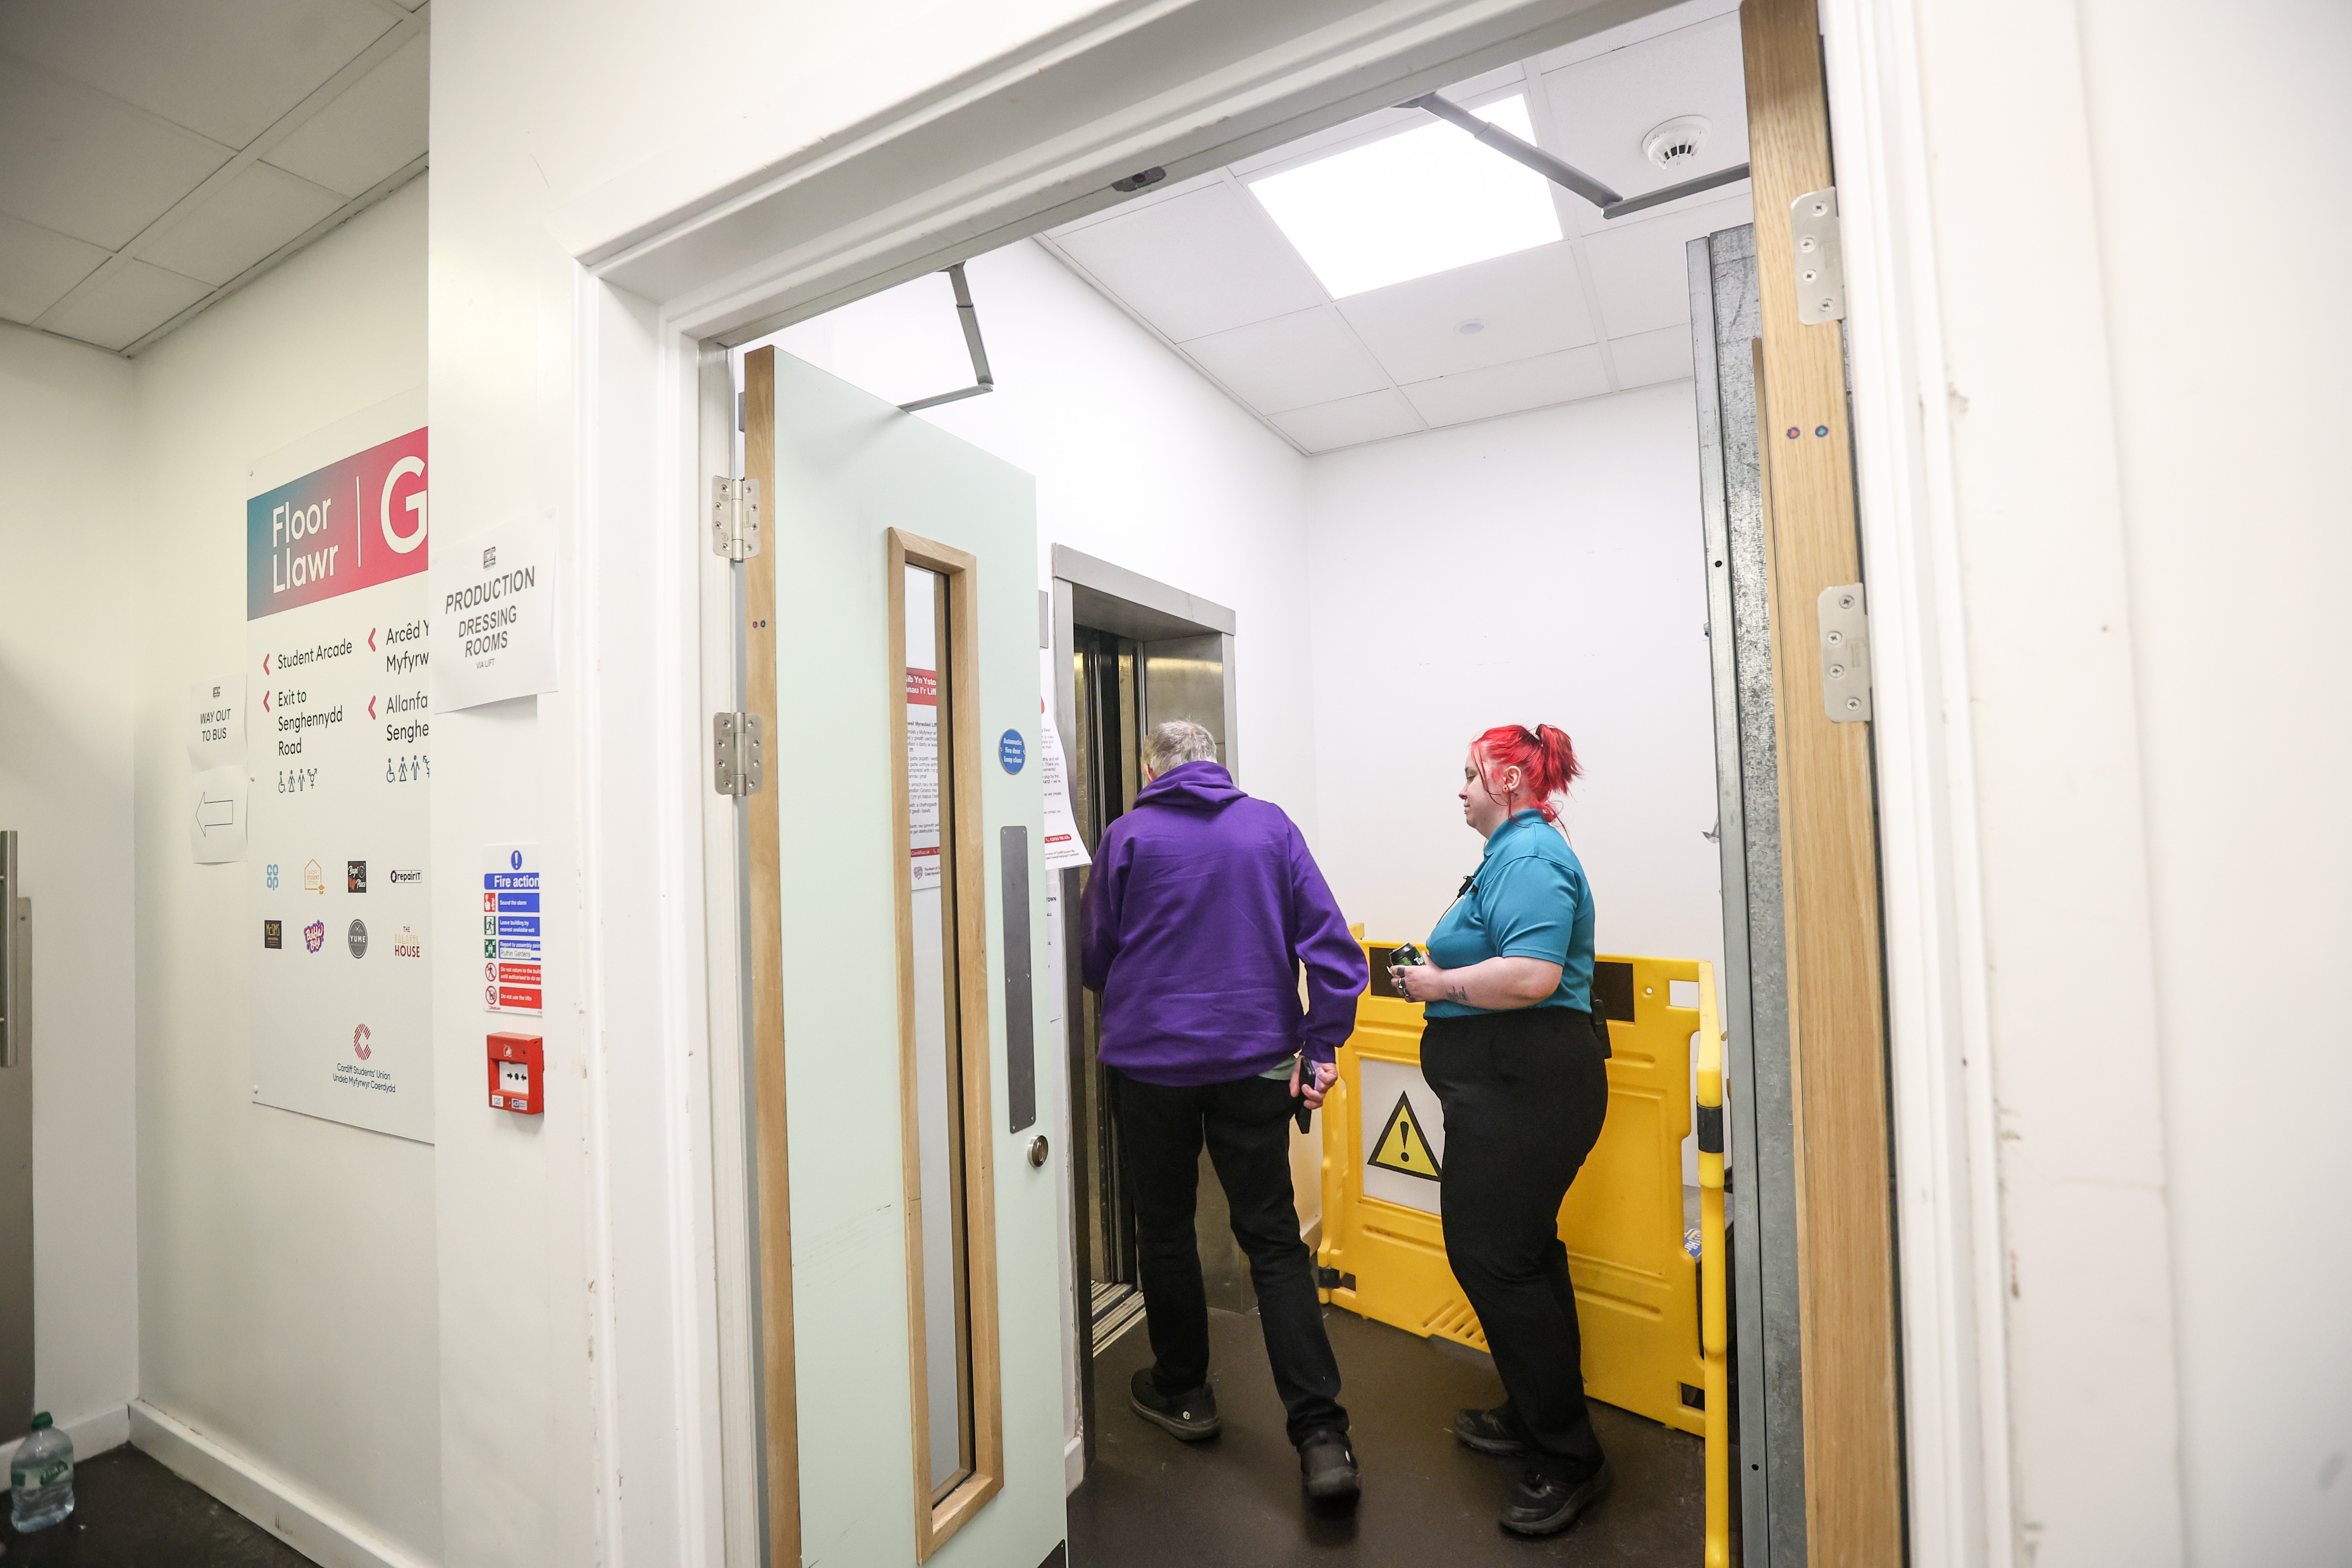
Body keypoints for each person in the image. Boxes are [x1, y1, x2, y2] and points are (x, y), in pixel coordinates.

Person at [1081, 720, 1368, 1504]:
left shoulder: (1127, 836)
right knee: (1273, 1240)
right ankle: (1322, 1439)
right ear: (1216, 766)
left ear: (1150, 767)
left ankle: (1183, 1391)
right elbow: (1336, 952)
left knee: (1165, 1230)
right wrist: (1320, 1044)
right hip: (1257, 1066)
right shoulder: (1270, 826)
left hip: (1152, 1069)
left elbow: (1095, 957)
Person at [1390, 723, 1614, 1537]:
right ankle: (1537, 1414)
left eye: (1470, 776)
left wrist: (1436, 982)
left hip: (1530, 1085)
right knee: (1521, 1253)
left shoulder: (1529, 856)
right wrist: (1439, 979)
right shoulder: (1513, 855)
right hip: (1512, 1084)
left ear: (1510, 781)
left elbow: (1531, 974)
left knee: (1493, 1256)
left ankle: (1570, 1459)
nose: (1461, 790)